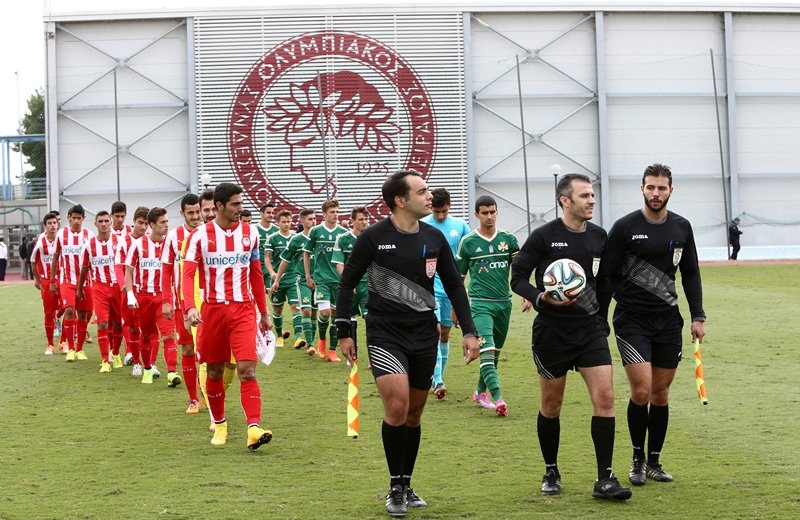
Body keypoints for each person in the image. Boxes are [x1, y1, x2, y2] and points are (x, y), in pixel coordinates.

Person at [336, 169, 480, 517]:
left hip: (423, 334)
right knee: (397, 408)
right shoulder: (373, 238)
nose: (429, 196)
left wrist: (470, 331)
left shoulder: (433, 237)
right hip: (386, 333)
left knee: (414, 413)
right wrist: (344, 331)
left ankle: (408, 480)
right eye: (422, 191)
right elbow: (347, 285)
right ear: (401, 200)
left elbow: (455, 284)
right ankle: (395, 485)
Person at [510, 173, 631, 500]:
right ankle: (551, 469)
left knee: (605, 398)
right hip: (552, 332)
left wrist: (602, 320)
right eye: (585, 196)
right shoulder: (544, 237)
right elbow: (518, 277)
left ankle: (604, 478)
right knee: (551, 405)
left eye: (592, 195)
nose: (592, 200)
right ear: (565, 201)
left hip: (590, 331)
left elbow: (604, 282)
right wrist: (538, 298)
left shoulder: (598, 236)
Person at [602, 163, 706, 486]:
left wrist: (698, 315)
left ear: (671, 190)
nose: (656, 193)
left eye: (662, 188)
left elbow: (690, 272)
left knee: (660, 393)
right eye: (651, 187)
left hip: (667, 322)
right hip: (631, 321)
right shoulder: (624, 227)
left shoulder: (682, 227)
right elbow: (606, 274)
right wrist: (599, 320)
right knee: (642, 389)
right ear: (642, 189)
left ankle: (655, 462)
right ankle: (637, 457)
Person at [182, 182, 273, 450]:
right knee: (214, 371)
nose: (240, 209)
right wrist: (190, 306)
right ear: (219, 206)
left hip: (243, 310)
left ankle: (254, 428)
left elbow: (256, 274)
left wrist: (263, 312)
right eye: (235, 204)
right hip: (212, 311)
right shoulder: (199, 236)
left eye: (241, 203)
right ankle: (219, 423)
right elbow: (187, 275)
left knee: (247, 370)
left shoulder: (251, 233)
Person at [455, 196, 521, 416]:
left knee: (495, 354)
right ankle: (498, 398)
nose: (489, 216)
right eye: (485, 213)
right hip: (480, 305)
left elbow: (520, 271)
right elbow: (458, 278)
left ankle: (479, 392)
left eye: (493, 212)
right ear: (476, 215)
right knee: (487, 350)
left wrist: (527, 294)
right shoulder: (468, 243)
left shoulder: (509, 240)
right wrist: (456, 308)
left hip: (504, 304)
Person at [420, 188, 470, 399]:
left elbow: (466, 260)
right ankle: (438, 380)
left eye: (444, 211)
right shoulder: (422, 226)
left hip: (452, 289)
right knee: (435, 331)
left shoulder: (460, 227)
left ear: (450, 207)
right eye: (437, 211)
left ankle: (436, 377)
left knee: (445, 334)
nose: (440, 216)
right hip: (429, 289)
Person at [124, 207, 180, 386]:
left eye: (167, 222)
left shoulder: (171, 243)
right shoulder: (138, 244)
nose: (166, 225)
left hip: (164, 297)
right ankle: (147, 369)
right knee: (146, 335)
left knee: (169, 334)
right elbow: (129, 270)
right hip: (144, 297)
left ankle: (172, 372)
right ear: (152, 225)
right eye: (162, 222)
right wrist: (131, 294)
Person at [161, 193, 203, 413]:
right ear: (182, 213)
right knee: (187, 349)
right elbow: (166, 269)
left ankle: (206, 387)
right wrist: (166, 300)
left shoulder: (209, 233)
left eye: (198, 211)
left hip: (206, 302)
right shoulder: (174, 236)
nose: (196, 216)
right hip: (181, 304)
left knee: (206, 353)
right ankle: (193, 399)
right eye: (191, 213)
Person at [77, 211, 122, 372]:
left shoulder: (119, 241)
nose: (103, 224)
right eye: (100, 221)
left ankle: (115, 353)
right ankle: (105, 360)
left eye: (106, 221)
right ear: (95, 224)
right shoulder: (89, 245)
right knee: (102, 322)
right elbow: (84, 268)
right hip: (99, 287)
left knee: (118, 323)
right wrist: (80, 287)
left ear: (110, 222)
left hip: (117, 286)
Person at [303, 199, 348, 362]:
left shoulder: (342, 233)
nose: (336, 215)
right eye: (332, 212)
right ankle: (322, 341)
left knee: (336, 316)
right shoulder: (315, 231)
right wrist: (308, 276)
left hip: (338, 281)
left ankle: (332, 351)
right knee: (325, 313)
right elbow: (306, 253)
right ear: (324, 214)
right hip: (321, 279)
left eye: (337, 212)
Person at [50, 204, 95, 361]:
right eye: (73, 218)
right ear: (68, 217)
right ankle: (69, 347)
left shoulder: (89, 235)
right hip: (67, 280)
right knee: (69, 310)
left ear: (83, 218)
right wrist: (52, 280)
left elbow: (93, 258)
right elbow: (55, 257)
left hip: (86, 281)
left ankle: (80, 349)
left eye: (79, 218)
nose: (76, 221)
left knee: (83, 315)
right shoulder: (61, 234)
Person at [272, 209, 318, 354]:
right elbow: (285, 260)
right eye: (310, 219)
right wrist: (277, 279)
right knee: (303, 309)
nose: (313, 221)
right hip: (300, 279)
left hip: (320, 281)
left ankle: (318, 343)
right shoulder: (296, 240)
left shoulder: (320, 236)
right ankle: (308, 344)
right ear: (302, 221)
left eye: (314, 218)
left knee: (316, 314)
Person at [332, 206, 370, 357]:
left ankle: (372, 357)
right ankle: (353, 355)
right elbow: (339, 263)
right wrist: (348, 282)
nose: (364, 222)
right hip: (351, 285)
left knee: (371, 320)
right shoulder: (343, 239)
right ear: (352, 221)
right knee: (350, 319)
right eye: (361, 219)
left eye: (366, 219)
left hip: (367, 284)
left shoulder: (372, 238)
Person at [115, 206, 149, 375]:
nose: (143, 227)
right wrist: (124, 285)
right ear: (134, 222)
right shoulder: (124, 241)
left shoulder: (150, 241)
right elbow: (119, 266)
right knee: (131, 326)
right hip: (129, 290)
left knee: (147, 328)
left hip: (147, 291)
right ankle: (134, 358)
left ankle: (150, 364)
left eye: (146, 223)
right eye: (140, 223)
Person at [30, 213, 62, 354]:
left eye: (54, 222)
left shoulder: (64, 240)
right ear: (45, 226)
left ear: (58, 224)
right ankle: (50, 345)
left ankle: (64, 342)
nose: (52, 225)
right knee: (49, 313)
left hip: (63, 279)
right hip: (47, 280)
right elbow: (33, 262)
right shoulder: (41, 243)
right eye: (49, 223)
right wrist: (37, 279)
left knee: (69, 309)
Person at [263, 209, 295, 347]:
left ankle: (299, 337)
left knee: (295, 306)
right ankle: (280, 336)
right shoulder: (273, 238)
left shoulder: (296, 237)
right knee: (278, 309)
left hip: (294, 277)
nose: (287, 224)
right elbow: (267, 258)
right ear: (278, 223)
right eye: (284, 222)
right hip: (277, 279)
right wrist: (272, 273)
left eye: (289, 221)